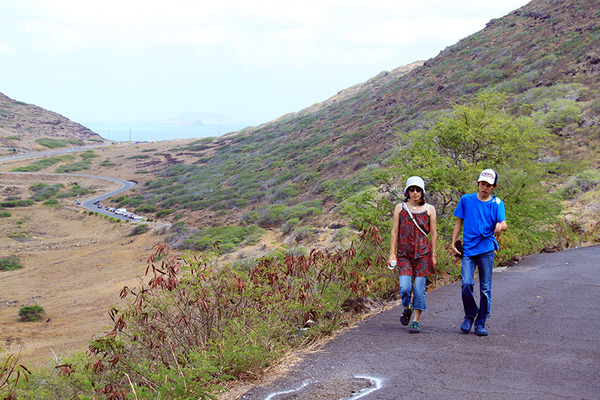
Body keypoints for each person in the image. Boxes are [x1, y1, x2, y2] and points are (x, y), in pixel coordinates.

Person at [451, 168, 508, 336]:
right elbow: (458, 222)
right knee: (466, 284)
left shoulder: (497, 203)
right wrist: (453, 242)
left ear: (494, 186)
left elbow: (503, 223)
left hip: (486, 249)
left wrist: (500, 226)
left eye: (488, 185)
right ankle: (470, 314)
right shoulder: (466, 200)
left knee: (485, 288)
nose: (485, 187)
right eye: (482, 184)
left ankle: (481, 322)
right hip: (468, 248)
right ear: (478, 183)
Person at [389, 176, 437, 333]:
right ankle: (407, 307)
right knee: (404, 287)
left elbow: (434, 234)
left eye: (418, 190)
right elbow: (395, 231)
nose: (415, 193)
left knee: (419, 288)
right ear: (407, 192)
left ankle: (416, 320)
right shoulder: (400, 208)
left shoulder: (430, 209)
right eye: (412, 190)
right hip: (404, 254)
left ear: (422, 192)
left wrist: (434, 255)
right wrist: (392, 254)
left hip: (423, 254)